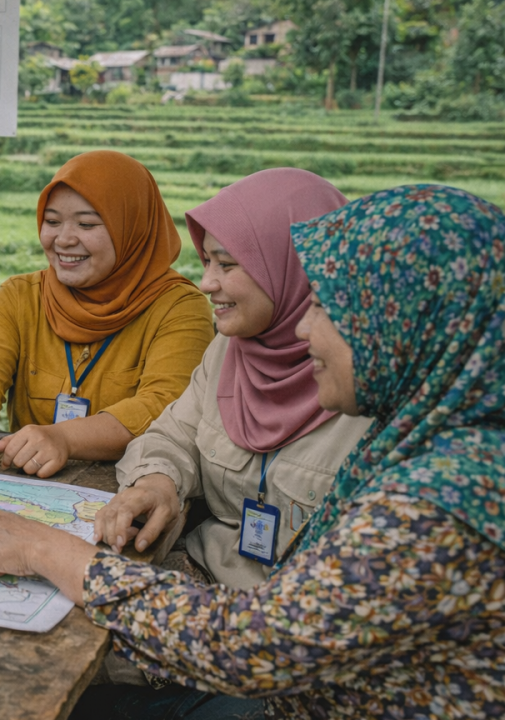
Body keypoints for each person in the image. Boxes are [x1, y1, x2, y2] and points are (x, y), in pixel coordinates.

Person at [0, 184, 505, 718]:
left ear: (407, 325)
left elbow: (254, 647)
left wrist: (48, 551)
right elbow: (173, 433)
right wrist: (159, 481)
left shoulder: (443, 498)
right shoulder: (427, 436)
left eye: (329, 309)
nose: (306, 330)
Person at [97, 169, 373, 587]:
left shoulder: (370, 385)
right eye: (207, 261)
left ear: (294, 268)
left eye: (227, 264)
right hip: (201, 574)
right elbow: (173, 434)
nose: (207, 282)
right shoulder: (232, 347)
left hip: (292, 615)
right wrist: (157, 482)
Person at [0, 151, 214, 473]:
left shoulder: (179, 308)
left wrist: (64, 439)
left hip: (134, 487)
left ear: (133, 226)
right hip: (28, 483)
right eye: (52, 221)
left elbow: (164, 407)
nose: (64, 239)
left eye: (86, 224)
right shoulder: (18, 298)